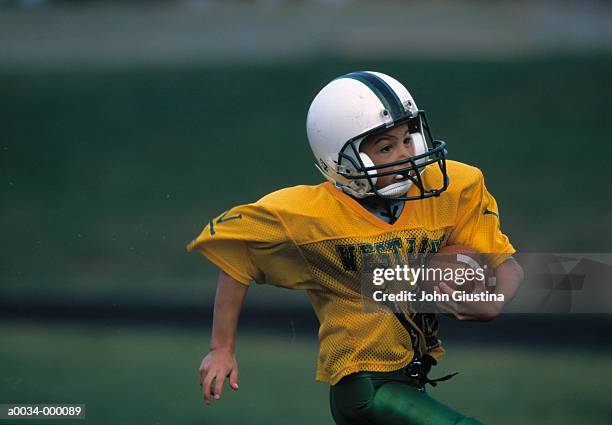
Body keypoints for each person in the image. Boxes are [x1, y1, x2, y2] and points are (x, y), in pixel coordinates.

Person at [187, 71, 524, 424]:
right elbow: (238, 257)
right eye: (385, 147)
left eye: (407, 138)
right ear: (341, 160)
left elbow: (508, 265)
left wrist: (494, 301)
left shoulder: (451, 188)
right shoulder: (309, 215)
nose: (406, 154)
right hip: (363, 387)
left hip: (412, 380)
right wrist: (221, 348)